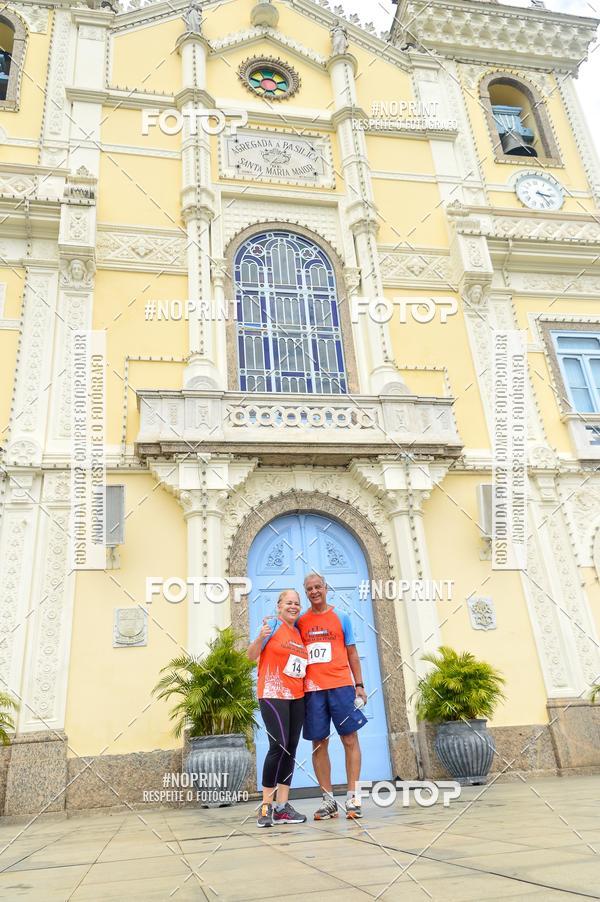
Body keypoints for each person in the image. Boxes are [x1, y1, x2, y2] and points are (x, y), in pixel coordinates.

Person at [296, 571, 368, 820]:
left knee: (349, 739)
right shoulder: (301, 621)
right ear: (306, 593)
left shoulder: (342, 616)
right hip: (313, 691)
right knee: (319, 744)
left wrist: (359, 685)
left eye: (318, 587)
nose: (314, 592)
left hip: (341, 687)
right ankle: (328, 801)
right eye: (309, 589)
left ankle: (353, 798)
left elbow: (352, 653)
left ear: (326, 588)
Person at [247, 589, 308, 828]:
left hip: (297, 696)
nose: (293, 606)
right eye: (288, 603)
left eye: (296, 603)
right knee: (278, 745)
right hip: (273, 694)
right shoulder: (271, 626)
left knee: (291, 748)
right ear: (279, 606)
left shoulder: (299, 632)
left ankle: (283, 807)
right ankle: (265, 807)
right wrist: (260, 638)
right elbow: (250, 656)